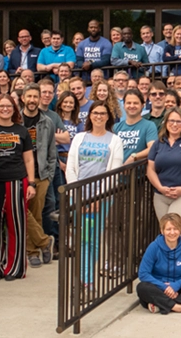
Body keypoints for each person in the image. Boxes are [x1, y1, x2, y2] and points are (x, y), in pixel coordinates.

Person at [66, 101, 125, 288]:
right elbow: (70, 168)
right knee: (81, 239)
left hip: (101, 199)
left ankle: (88, 279)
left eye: (102, 113)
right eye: (95, 113)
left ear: (108, 117)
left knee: (93, 239)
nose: (99, 116)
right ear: (90, 115)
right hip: (78, 197)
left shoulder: (115, 140)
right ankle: (81, 277)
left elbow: (113, 173)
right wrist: (78, 198)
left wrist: (98, 198)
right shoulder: (79, 138)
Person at [0, 95, 36, 281]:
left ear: (14, 109)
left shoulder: (21, 131)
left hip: (17, 180)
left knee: (16, 225)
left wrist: (31, 183)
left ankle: (15, 268)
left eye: (9, 106)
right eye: (1, 106)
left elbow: (29, 159)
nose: (5, 109)